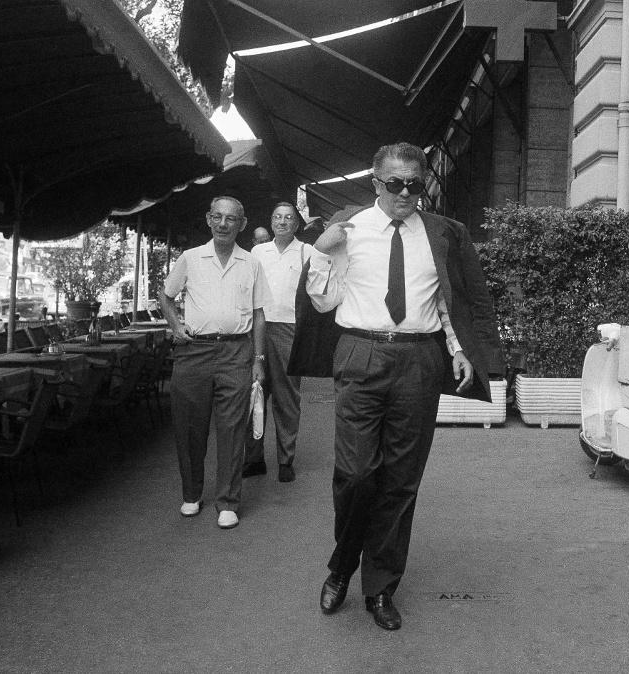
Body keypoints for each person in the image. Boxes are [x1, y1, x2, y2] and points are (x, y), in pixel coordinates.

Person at [301, 142, 503, 631]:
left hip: (418, 360)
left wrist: (459, 350)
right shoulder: (348, 229)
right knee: (355, 474)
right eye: (396, 183)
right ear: (376, 183)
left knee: (400, 480)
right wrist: (321, 253)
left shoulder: (441, 234)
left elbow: (447, 302)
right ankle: (342, 564)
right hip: (359, 351)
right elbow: (324, 302)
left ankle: (380, 587)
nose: (406, 193)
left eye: (415, 183)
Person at [159, 195, 269, 530]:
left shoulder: (251, 263)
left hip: (237, 352)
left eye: (231, 219)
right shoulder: (191, 258)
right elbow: (165, 296)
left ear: (242, 224)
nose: (223, 224)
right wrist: (176, 326)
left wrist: (259, 359)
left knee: (232, 428)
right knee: (189, 426)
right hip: (194, 352)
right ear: (209, 219)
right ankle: (191, 494)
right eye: (218, 217)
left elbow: (260, 315)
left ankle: (228, 501)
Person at [244, 201, 309, 482]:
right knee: (255, 391)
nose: (282, 222)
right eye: (277, 217)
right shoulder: (258, 252)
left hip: (290, 330)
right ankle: (254, 457)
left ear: (296, 223)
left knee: (287, 397)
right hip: (257, 327)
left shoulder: (307, 251)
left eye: (288, 218)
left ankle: (285, 460)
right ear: (271, 222)